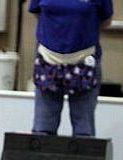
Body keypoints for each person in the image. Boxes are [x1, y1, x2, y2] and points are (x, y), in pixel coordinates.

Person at [29, 0, 113, 137]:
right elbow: (37, 12)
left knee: (83, 130)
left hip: (84, 62)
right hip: (47, 60)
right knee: (42, 129)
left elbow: (106, 21)